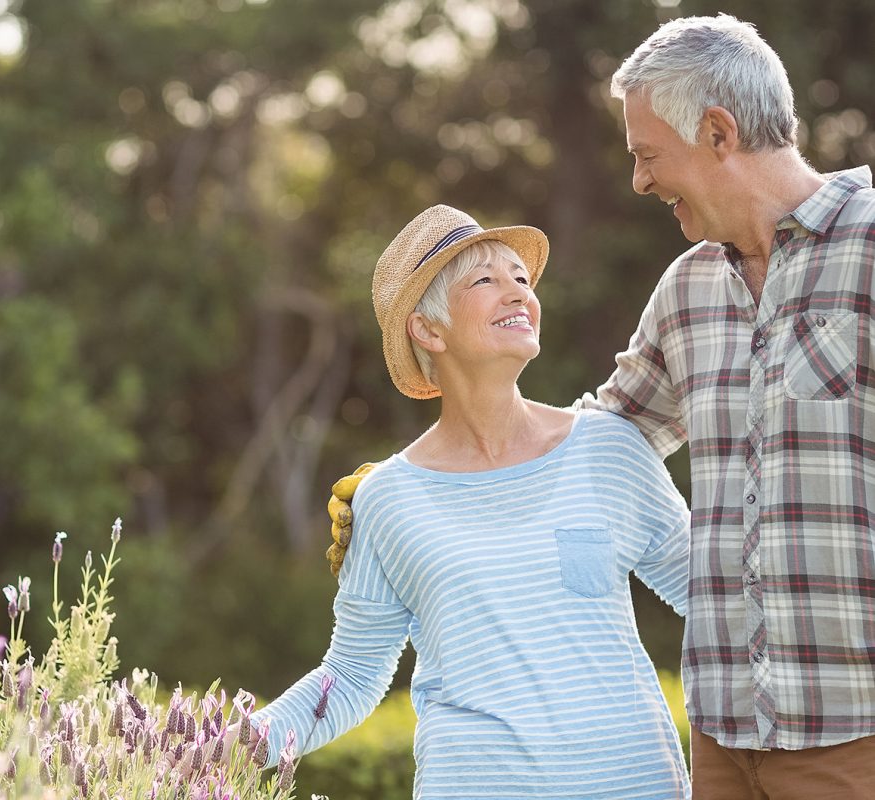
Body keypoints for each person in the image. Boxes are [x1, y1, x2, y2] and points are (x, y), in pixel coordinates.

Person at [329, 13, 875, 800]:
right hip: (722, 739)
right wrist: (425, 487)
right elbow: (604, 432)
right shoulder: (689, 291)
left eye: (649, 155)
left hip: (851, 729)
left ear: (719, 133)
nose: (640, 181)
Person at [252, 204, 693, 799]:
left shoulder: (608, 448)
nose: (516, 292)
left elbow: (717, 598)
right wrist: (218, 748)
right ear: (428, 330)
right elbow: (351, 677)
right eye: (485, 280)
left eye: (520, 278)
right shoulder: (386, 498)